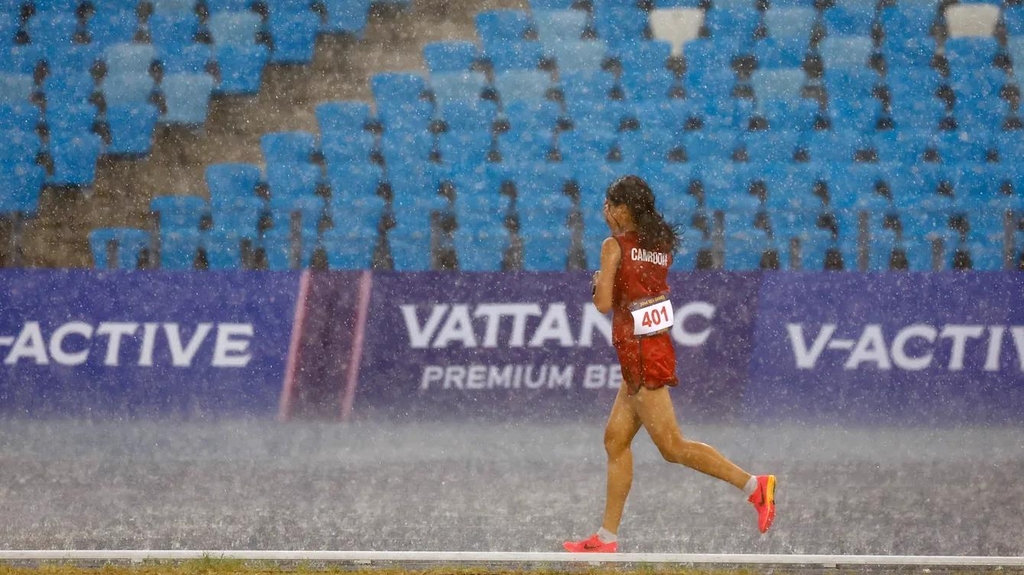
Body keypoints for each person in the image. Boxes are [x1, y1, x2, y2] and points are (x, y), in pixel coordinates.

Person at [563, 175, 776, 553]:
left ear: (624, 209)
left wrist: (598, 282)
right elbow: (644, 290)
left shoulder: (613, 246)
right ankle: (606, 539)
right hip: (650, 348)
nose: (605, 211)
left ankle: (755, 486)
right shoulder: (659, 245)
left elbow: (603, 304)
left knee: (673, 446)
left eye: (610, 204)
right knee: (615, 440)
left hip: (640, 354)